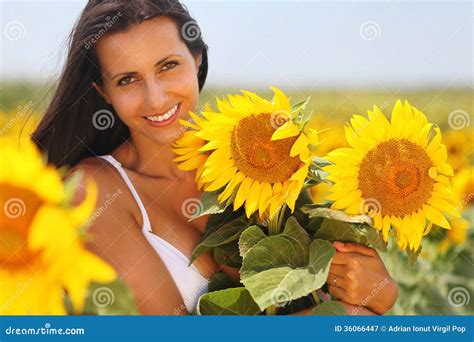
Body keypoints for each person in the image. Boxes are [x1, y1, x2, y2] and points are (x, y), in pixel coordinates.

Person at [32, 0, 398, 315]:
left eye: (168, 66)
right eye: (128, 79)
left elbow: (317, 283)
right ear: (104, 92)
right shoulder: (95, 190)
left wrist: (379, 291)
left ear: (197, 58)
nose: (156, 99)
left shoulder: (264, 155)